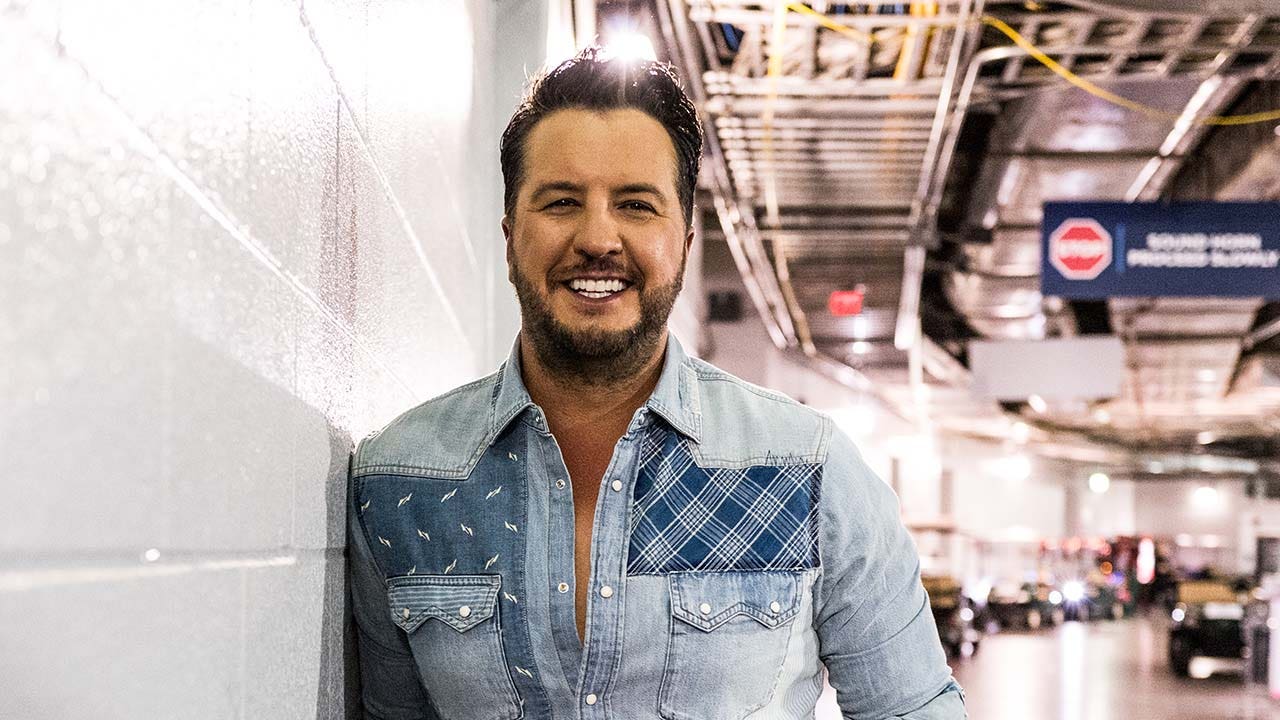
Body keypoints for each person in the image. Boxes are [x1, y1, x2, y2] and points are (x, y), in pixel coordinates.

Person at [347, 47, 965, 720]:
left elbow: (914, 708)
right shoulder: (400, 481)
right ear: (509, 237)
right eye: (561, 202)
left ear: (685, 243)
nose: (598, 238)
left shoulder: (809, 471)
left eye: (636, 205)